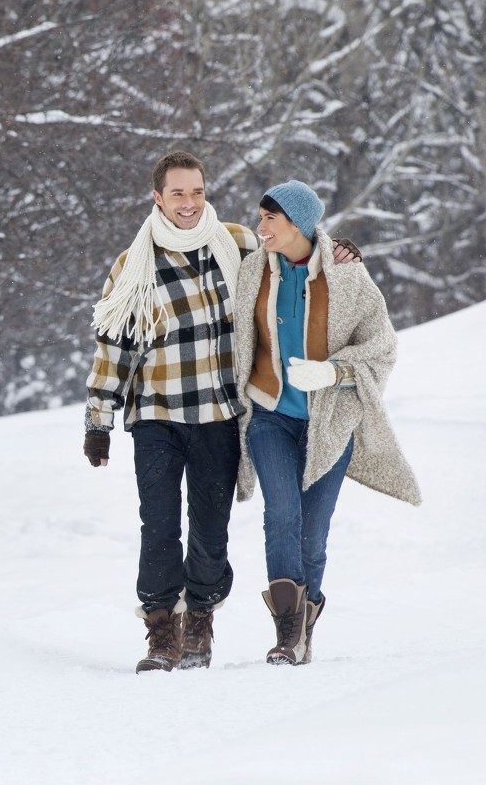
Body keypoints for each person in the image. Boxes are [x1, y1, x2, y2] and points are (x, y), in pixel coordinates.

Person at [82, 153, 358, 674]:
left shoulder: (236, 243)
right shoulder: (133, 265)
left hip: (220, 416)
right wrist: (99, 421)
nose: (189, 204)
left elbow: (295, 251)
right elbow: (112, 347)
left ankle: (201, 619)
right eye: (178, 194)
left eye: (197, 192)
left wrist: (335, 248)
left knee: (210, 531)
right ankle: (162, 630)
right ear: (157, 198)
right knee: (158, 527)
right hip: (157, 416)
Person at [233, 179, 421, 666]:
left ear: (297, 223)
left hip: (329, 421)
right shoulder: (252, 268)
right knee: (282, 516)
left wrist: (334, 372)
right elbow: (209, 234)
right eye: (260, 217)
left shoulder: (347, 276)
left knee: (313, 532)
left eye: (270, 219)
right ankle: (287, 631)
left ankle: (303, 625)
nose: (261, 226)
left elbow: (382, 347)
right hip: (270, 416)